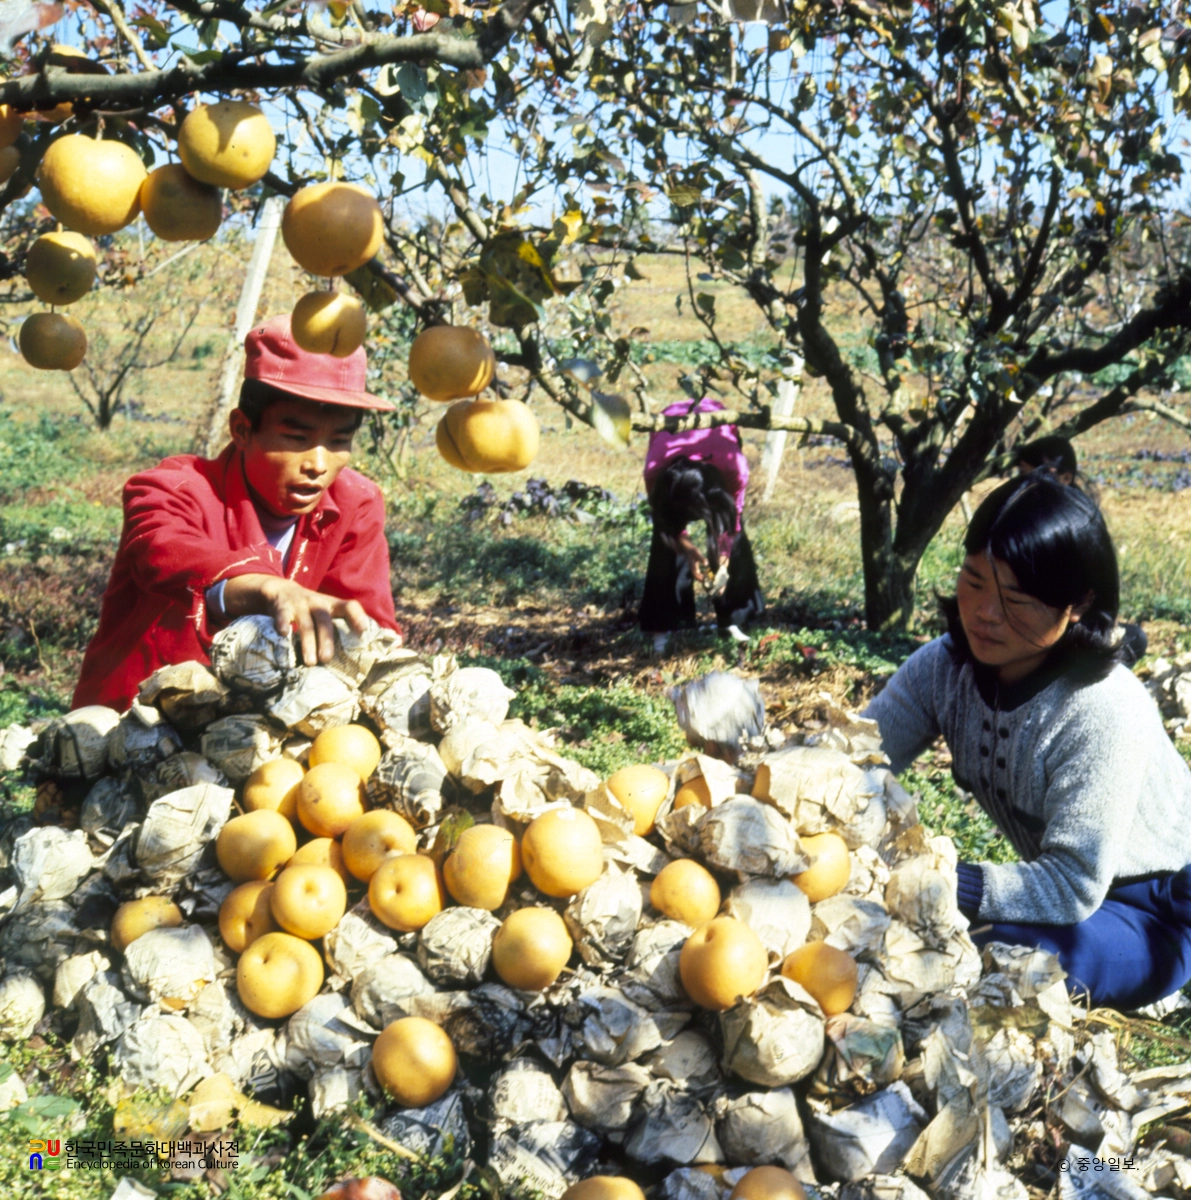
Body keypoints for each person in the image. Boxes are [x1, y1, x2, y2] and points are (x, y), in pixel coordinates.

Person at [863, 474, 1191, 1011]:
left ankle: (1158, 978)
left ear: (1078, 604)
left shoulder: (1102, 707)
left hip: (1154, 909)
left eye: (1015, 599)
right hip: (1059, 898)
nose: (985, 613)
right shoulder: (944, 668)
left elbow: (1072, 884)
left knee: (982, 961)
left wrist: (941, 884)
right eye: (973, 582)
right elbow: (856, 761)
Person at [73, 315, 401, 712]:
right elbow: (163, 553)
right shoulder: (171, 488)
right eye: (297, 438)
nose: (318, 463)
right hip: (133, 726)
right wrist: (265, 587)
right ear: (242, 430)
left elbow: (365, 627)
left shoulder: (355, 504)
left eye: (339, 440)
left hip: (261, 734)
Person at [640, 396, 763, 652]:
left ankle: (734, 617)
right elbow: (665, 520)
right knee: (665, 544)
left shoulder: (734, 469)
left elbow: (733, 519)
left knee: (731, 537)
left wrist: (725, 557)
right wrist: (687, 548)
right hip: (671, 423)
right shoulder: (656, 471)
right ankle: (663, 626)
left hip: (715, 422)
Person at [1014, 434, 1147, 665]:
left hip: (1068, 625)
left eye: (1034, 476)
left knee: (1135, 638)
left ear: (1065, 477)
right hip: (1026, 627)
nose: (1025, 485)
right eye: (1022, 475)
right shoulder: (1018, 515)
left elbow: (1100, 589)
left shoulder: (1079, 521)